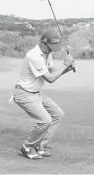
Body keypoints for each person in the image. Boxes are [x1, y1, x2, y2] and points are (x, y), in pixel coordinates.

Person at [10, 30, 75, 159]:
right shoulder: (33, 55)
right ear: (44, 42)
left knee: (57, 114)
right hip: (23, 93)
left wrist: (67, 69)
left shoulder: (47, 53)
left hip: (36, 93)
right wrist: (65, 64)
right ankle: (27, 146)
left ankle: (40, 145)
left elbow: (53, 72)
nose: (54, 49)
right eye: (52, 46)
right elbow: (50, 79)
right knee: (45, 120)